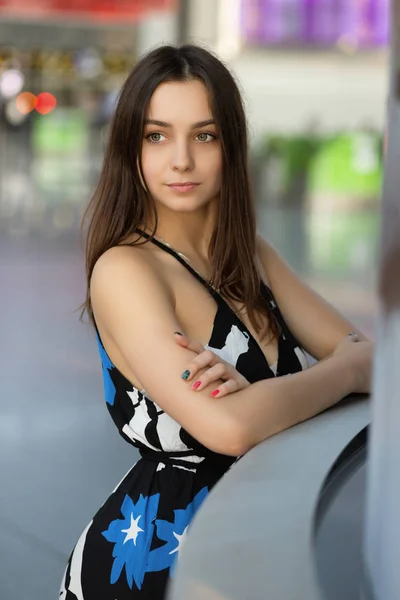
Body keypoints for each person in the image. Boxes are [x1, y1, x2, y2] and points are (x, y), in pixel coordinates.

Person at [59, 44, 373, 599]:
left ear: (230, 144)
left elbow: (367, 355)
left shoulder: (250, 253)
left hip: (251, 543)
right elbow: (228, 428)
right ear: (129, 147)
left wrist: (260, 398)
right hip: (153, 561)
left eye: (204, 135)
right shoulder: (126, 269)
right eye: (157, 136)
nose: (181, 159)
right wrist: (335, 376)